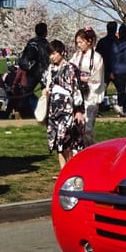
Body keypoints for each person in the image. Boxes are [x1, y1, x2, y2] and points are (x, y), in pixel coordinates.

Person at [41, 40, 85, 169]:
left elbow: (77, 90)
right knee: (57, 142)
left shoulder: (71, 68)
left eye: (54, 53)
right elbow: (45, 84)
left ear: (61, 52)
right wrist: (45, 90)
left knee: (66, 140)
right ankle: (63, 169)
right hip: (53, 110)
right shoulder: (50, 70)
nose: (52, 57)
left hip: (67, 109)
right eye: (50, 54)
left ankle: (70, 168)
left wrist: (78, 110)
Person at [69, 27, 105, 146]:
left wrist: (84, 80)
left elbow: (97, 78)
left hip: (91, 95)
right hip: (77, 93)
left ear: (89, 41)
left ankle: (89, 148)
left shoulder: (97, 58)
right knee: (76, 124)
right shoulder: (76, 56)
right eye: (77, 42)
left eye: (81, 42)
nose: (79, 45)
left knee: (88, 126)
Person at [17, 22, 49, 113]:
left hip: (31, 70)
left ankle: (22, 110)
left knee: (27, 91)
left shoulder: (31, 42)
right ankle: (46, 110)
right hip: (43, 70)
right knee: (46, 90)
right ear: (45, 32)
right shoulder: (45, 43)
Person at [96, 21, 118, 93]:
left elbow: (97, 56)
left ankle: (102, 104)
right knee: (122, 93)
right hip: (116, 69)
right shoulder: (118, 42)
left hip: (104, 69)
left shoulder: (102, 42)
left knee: (101, 92)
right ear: (115, 29)